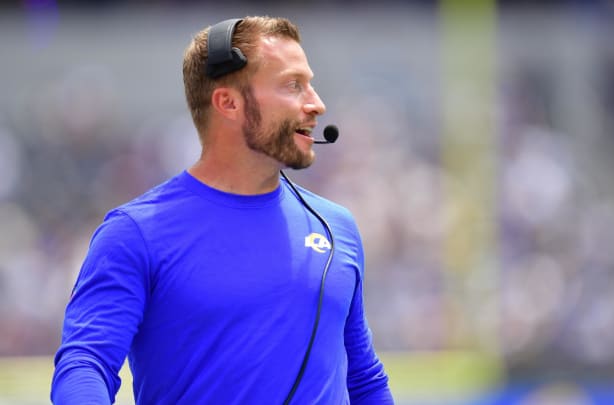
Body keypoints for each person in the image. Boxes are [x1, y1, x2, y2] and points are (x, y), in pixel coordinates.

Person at [51, 16, 394, 404]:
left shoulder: (337, 227)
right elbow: (85, 363)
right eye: (293, 85)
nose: (316, 104)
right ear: (228, 102)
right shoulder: (135, 234)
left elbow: (363, 378)